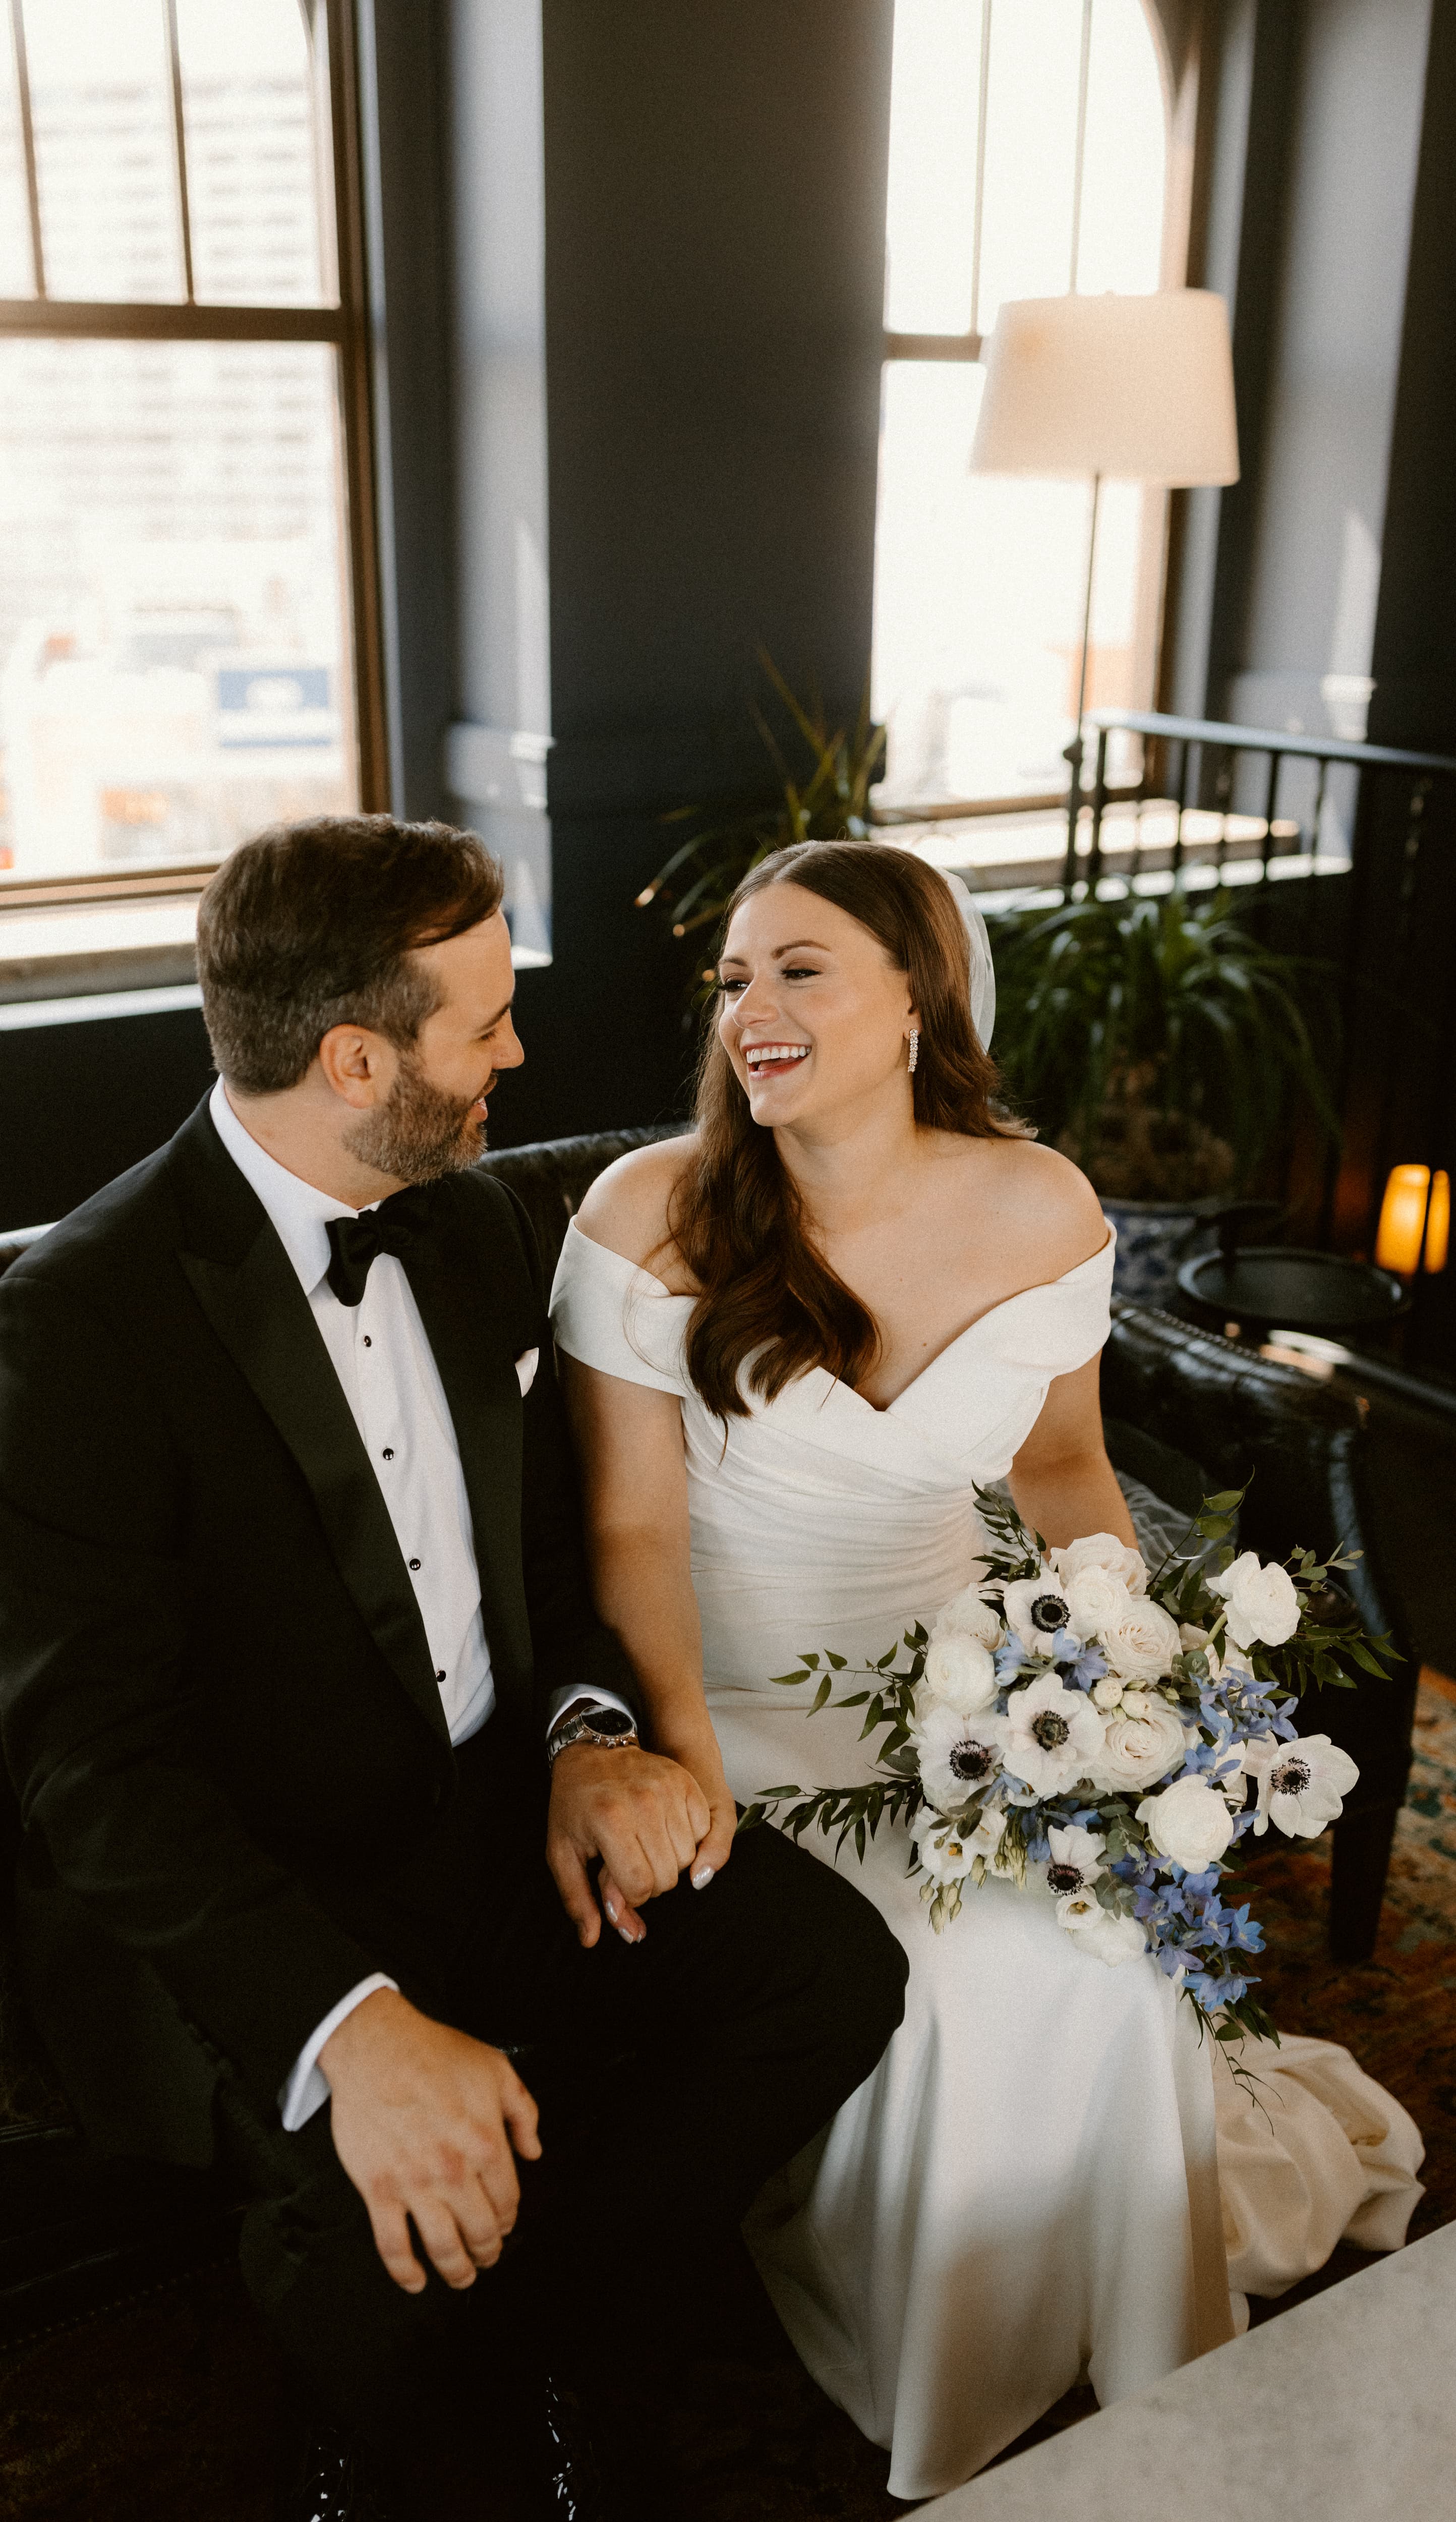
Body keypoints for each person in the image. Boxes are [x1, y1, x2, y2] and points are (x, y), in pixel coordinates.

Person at [0, 816, 907, 2522]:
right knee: (399, 2244)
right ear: (353, 1057)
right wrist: (355, 2029)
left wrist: (590, 1739)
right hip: (259, 1897)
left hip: (496, 1823)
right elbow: (96, 1768)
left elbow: (544, 1556)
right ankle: (450, 2381)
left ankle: (550, 2331)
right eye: (486, 1022)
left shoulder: (469, 1229)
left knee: (828, 1972)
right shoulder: (72, 1327)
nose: (520, 1054)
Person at [549, 836, 1425, 2503]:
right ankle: (920, 2364)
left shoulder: (1040, 1204)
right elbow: (633, 1542)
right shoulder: (647, 1215)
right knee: (950, 1990)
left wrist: (1132, 1674)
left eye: (801, 969)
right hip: (732, 1705)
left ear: (915, 1003)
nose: (754, 1007)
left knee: (1099, 1970)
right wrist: (688, 1757)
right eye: (736, 978)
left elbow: (1065, 1469)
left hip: (968, 1697)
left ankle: (1103, 2356)